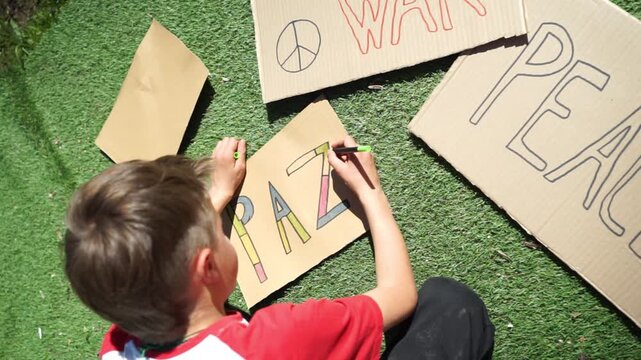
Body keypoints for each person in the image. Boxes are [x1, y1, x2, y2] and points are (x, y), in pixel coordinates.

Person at [64, 135, 494, 359]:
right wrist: (370, 192)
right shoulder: (279, 341)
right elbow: (400, 295)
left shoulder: (118, 346)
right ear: (207, 266)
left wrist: (215, 197)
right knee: (449, 303)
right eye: (212, 228)